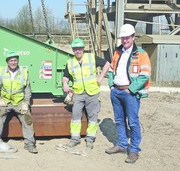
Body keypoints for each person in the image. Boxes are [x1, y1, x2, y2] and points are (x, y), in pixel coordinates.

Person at [105, 24, 151, 164]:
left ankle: (134, 150)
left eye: (127, 38)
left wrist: (130, 89)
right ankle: (122, 145)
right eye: (123, 38)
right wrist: (112, 85)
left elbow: (145, 75)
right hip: (116, 92)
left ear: (133, 37)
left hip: (130, 93)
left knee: (133, 122)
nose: (125, 40)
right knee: (119, 121)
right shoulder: (118, 52)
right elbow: (111, 70)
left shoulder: (141, 54)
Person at [62, 38, 110, 149]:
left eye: (79, 49)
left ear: (83, 49)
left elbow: (107, 64)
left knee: (93, 116)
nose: (77, 51)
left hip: (92, 92)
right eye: (75, 49)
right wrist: (65, 83)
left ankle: (90, 139)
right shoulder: (70, 62)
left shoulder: (91, 57)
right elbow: (65, 76)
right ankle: (75, 139)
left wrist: (101, 76)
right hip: (78, 93)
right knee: (76, 115)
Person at [0, 51, 38, 154]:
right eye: (11, 60)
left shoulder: (24, 72)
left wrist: (26, 103)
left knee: (27, 120)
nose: (13, 62)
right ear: (7, 62)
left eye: (15, 60)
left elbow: (27, 89)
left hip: (19, 101)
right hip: (5, 101)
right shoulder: (2, 71)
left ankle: (29, 144)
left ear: (18, 61)